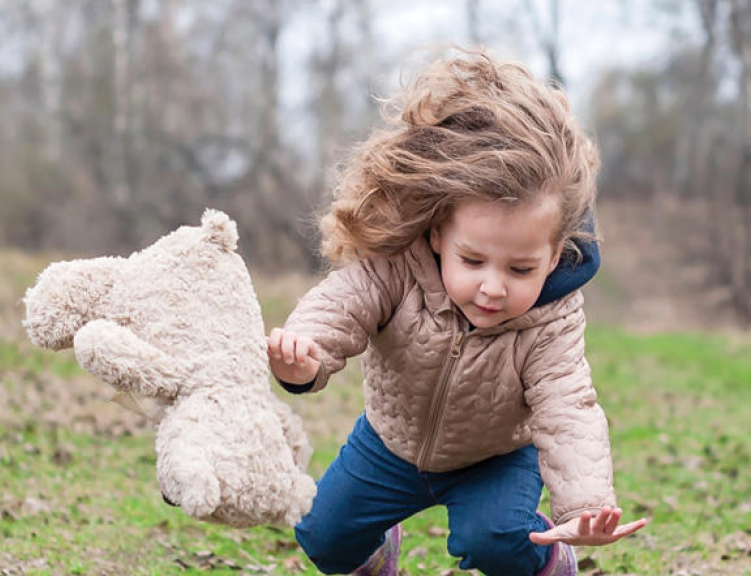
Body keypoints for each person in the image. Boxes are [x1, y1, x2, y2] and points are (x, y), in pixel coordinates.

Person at [266, 48, 647, 576]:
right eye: (473, 260)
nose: (492, 287)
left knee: (495, 539)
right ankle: (379, 557)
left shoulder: (552, 315)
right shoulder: (398, 264)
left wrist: (585, 507)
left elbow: (568, 407)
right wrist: (305, 356)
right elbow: (342, 303)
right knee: (323, 536)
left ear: (554, 256)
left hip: (496, 458)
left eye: (520, 269)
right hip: (390, 442)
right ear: (439, 233)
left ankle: (552, 562)